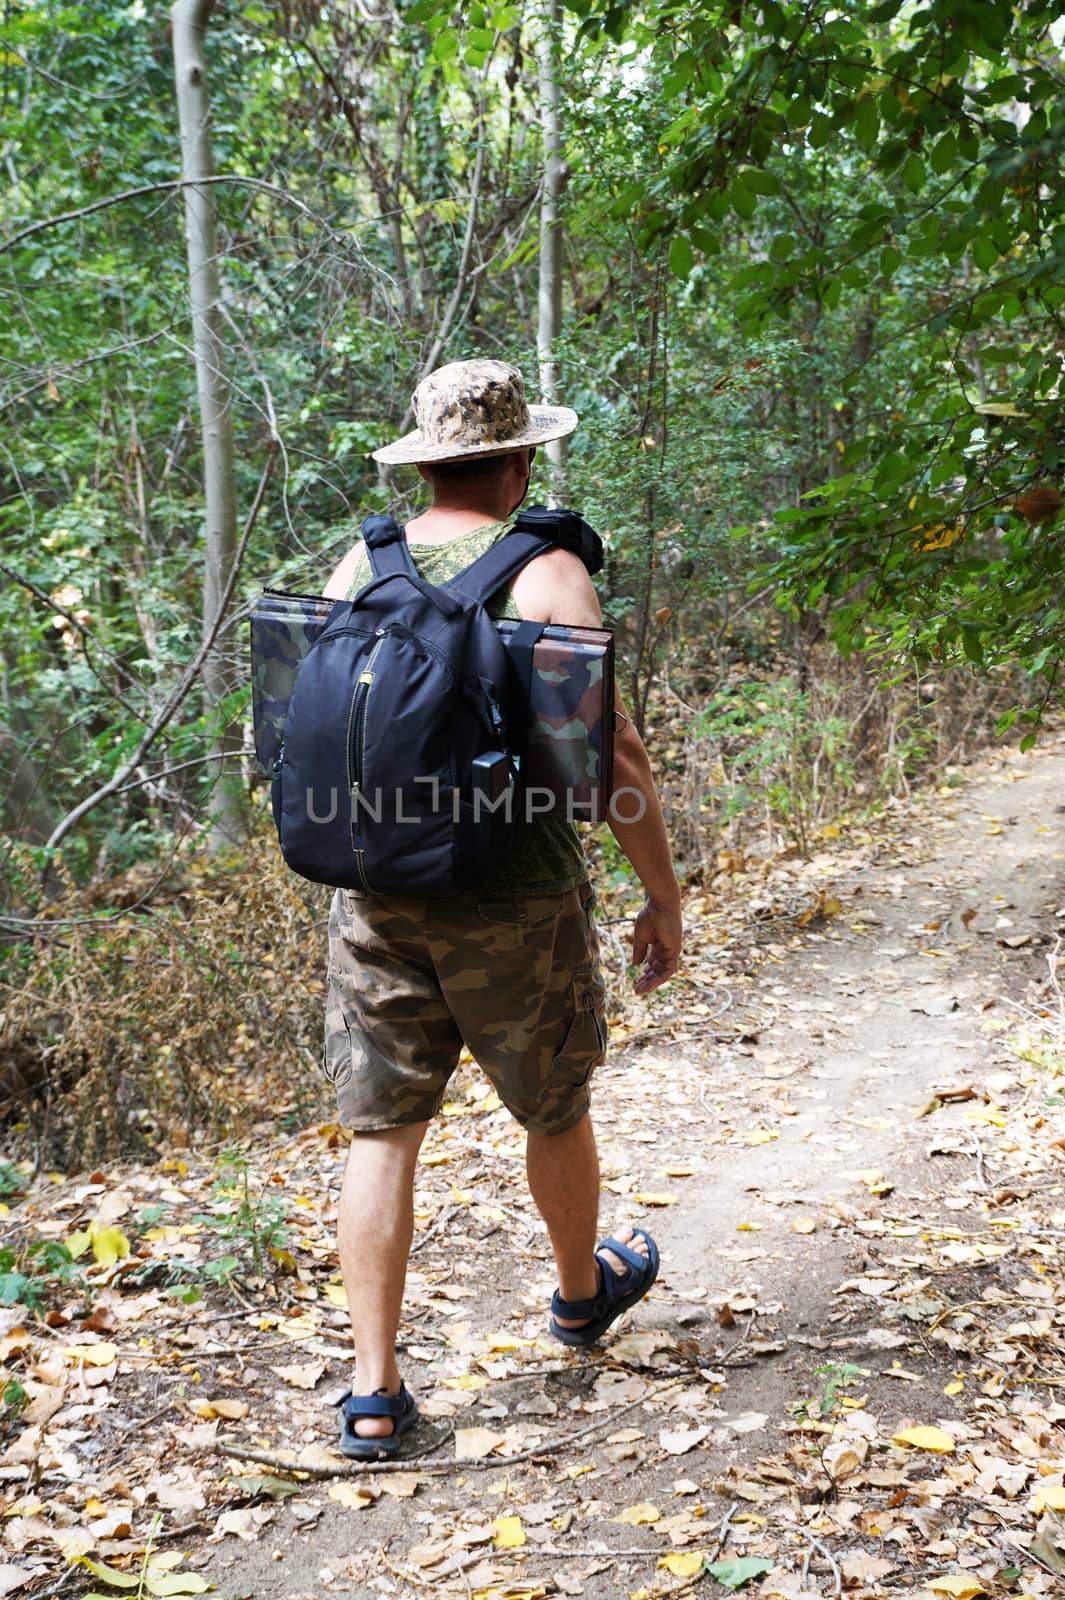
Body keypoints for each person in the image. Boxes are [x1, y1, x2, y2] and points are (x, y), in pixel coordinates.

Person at [321, 359, 683, 1459]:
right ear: (523, 460)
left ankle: (375, 1394)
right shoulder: (549, 574)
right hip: (517, 895)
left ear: (424, 462)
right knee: (553, 1104)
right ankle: (580, 1297)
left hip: (374, 892)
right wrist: (659, 892)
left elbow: (297, 729)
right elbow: (608, 755)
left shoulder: (356, 565)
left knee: (382, 1130)